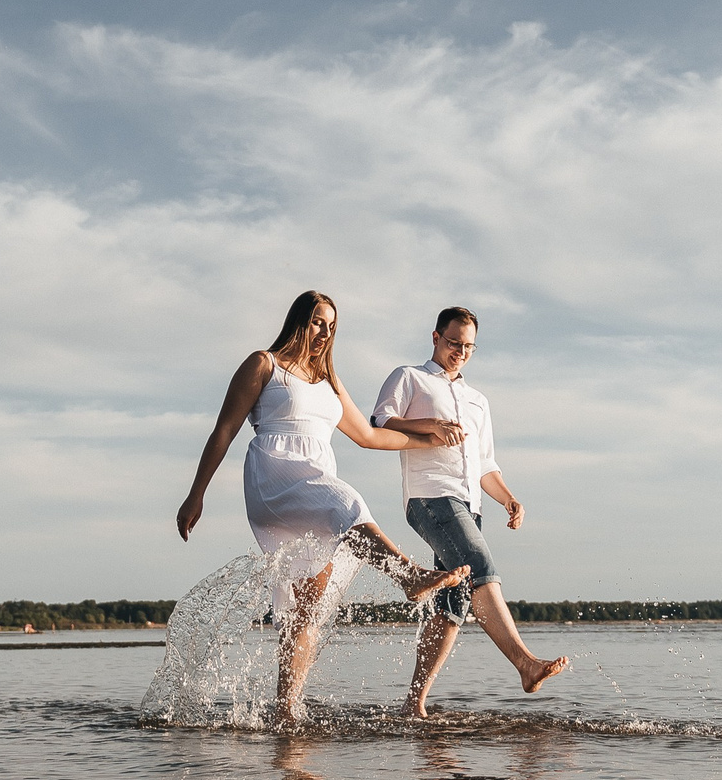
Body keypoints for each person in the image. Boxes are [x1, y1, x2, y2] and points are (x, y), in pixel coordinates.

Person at [175, 290, 475, 726]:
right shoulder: (264, 365)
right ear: (299, 320)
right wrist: (195, 492)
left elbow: (370, 437)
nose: (325, 332)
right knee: (348, 502)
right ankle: (408, 576)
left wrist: (427, 436)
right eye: (318, 322)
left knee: (307, 610)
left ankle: (285, 710)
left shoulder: (330, 381)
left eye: (331, 326)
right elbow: (224, 430)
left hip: (317, 484)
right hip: (277, 480)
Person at [372, 307, 568, 716]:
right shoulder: (410, 377)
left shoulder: (479, 402)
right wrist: (430, 425)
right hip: (429, 497)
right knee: (480, 565)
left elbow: (485, 466)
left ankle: (414, 704)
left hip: (469, 505)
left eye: (468, 347)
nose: (459, 352)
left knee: (453, 605)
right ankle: (526, 664)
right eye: (452, 343)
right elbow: (381, 419)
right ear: (435, 337)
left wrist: (509, 499)